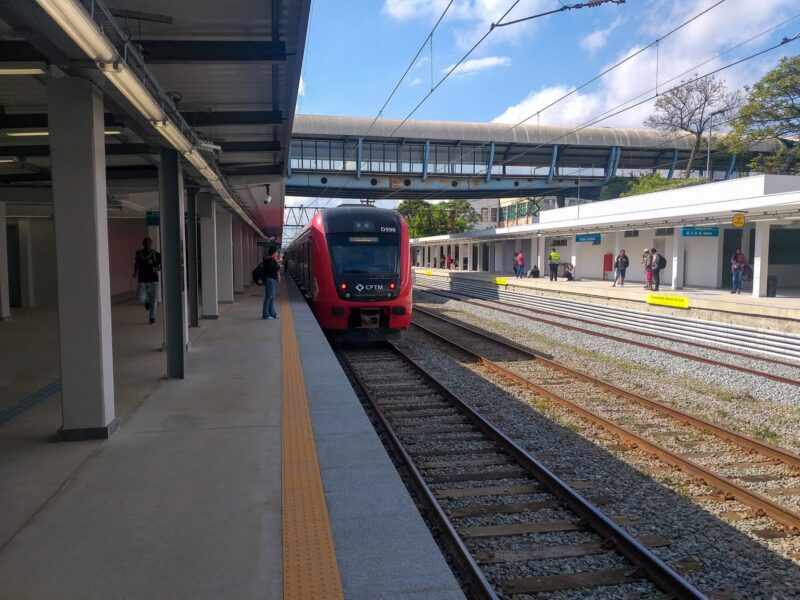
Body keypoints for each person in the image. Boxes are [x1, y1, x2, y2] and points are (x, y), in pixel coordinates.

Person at [133, 236, 161, 324]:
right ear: (143, 244)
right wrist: (135, 273)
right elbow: (136, 264)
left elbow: (161, 265)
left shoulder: (156, 254)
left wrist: (155, 269)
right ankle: (146, 302)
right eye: (145, 243)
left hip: (153, 280)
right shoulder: (138, 253)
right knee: (141, 298)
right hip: (142, 279)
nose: (147, 245)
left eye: (149, 243)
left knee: (153, 300)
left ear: (151, 244)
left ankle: (152, 318)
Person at [256, 246, 280, 320]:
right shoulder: (270, 260)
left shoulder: (270, 260)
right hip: (270, 280)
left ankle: (272, 314)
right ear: (274, 253)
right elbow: (272, 270)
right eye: (276, 252)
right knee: (269, 297)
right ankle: (266, 315)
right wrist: (277, 265)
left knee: (271, 297)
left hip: (271, 280)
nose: (277, 253)